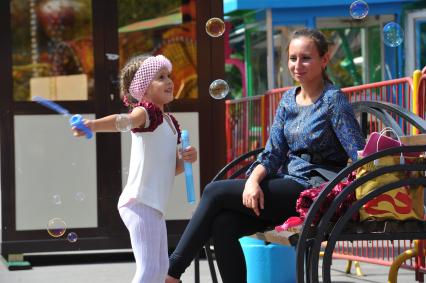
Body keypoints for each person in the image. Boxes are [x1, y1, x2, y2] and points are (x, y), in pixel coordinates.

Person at [165, 28, 365, 283]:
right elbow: (273, 153)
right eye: (293, 58)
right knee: (223, 224)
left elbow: (358, 152)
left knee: (215, 191)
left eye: (306, 58)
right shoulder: (288, 100)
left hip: (316, 192)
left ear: (324, 60)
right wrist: (253, 181)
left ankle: (171, 274)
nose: (297, 65)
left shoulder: (332, 100)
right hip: (288, 187)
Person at [73, 54, 197, 283]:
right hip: (140, 202)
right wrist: (93, 125)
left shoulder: (168, 121)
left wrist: (186, 160)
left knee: (160, 270)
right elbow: (123, 121)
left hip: (153, 205)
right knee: (149, 271)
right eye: (160, 77)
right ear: (144, 90)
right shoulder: (146, 113)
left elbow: (170, 169)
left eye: (168, 75)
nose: (168, 80)